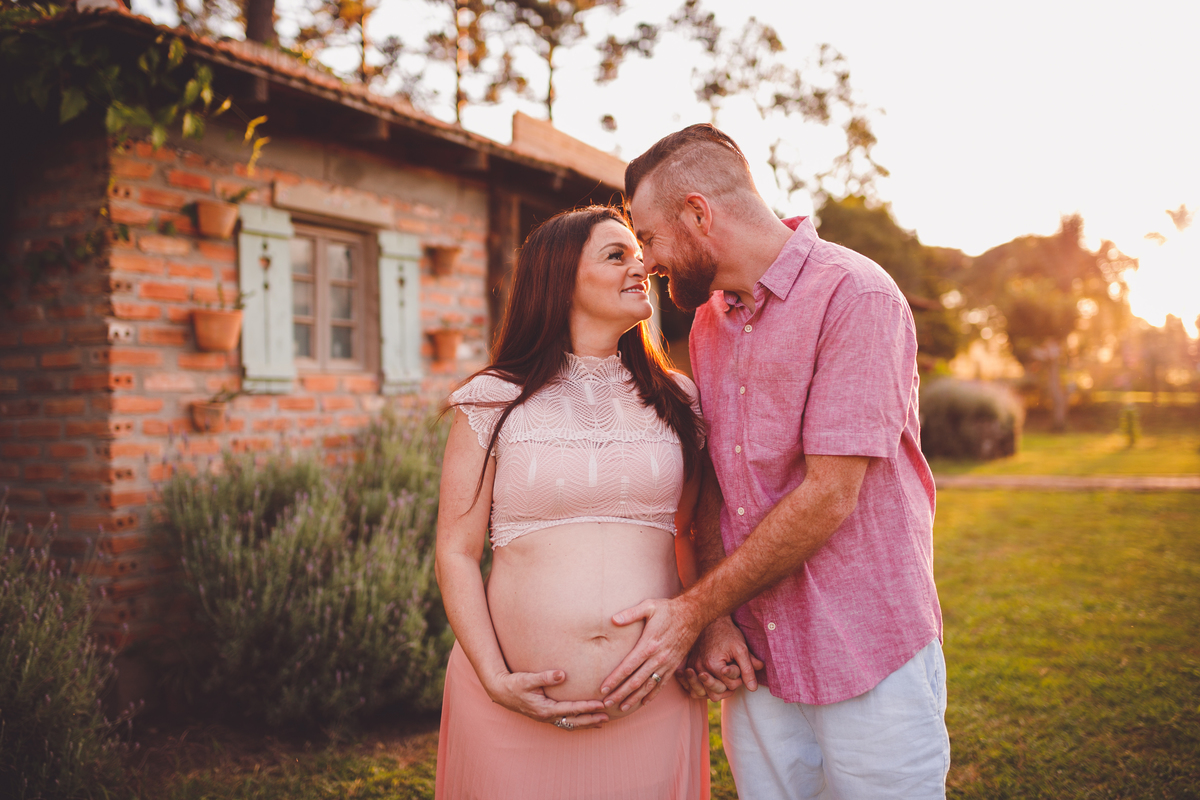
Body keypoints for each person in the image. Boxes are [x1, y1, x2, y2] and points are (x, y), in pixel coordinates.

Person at [597, 124, 950, 799]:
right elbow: (713, 484)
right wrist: (719, 618)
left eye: (648, 238)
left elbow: (829, 496)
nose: (645, 262)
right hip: (755, 656)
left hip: (863, 647)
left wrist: (691, 610)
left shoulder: (857, 297)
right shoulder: (707, 323)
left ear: (699, 213)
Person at [433, 205, 710, 799]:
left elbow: (691, 535)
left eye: (639, 254)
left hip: (652, 699)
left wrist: (700, 631)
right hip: (507, 706)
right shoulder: (491, 400)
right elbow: (455, 553)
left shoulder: (679, 400)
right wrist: (493, 678)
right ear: (559, 278)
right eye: (617, 255)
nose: (641, 267)